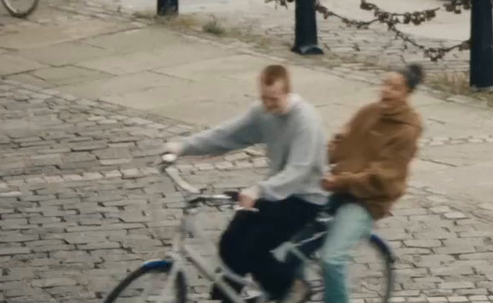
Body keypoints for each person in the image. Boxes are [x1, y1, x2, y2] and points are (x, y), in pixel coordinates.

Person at [164, 64, 328, 303]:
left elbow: (298, 171)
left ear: (288, 92)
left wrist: (259, 189)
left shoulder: (306, 120)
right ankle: (224, 298)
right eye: (264, 98)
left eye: (274, 99)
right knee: (230, 242)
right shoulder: (263, 112)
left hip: (305, 198)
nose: (269, 105)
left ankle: (290, 286)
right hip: (275, 192)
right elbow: (227, 135)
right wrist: (183, 146)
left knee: (253, 247)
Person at [313, 64, 424, 303]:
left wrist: (341, 181)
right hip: (339, 188)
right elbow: (341, 143)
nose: (386, 91)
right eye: (385, 84)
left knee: (332, 258)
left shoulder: (406, 131)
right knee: (289, 238)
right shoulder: (368, 112)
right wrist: (315, 161)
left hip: (367, 201)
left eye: (394, 88)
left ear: (407, 93)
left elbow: (382, 176)